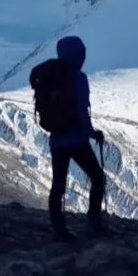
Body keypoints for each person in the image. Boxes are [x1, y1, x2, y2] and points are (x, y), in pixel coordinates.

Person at [41, 35, 106, 241]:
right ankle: (94, 223)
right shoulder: (78, 78)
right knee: (97, 177)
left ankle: (59, 229)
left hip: (56, 140)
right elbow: (81, 111)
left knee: (58, 184)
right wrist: (92, 133)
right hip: (76, 140)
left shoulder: (50, 77)